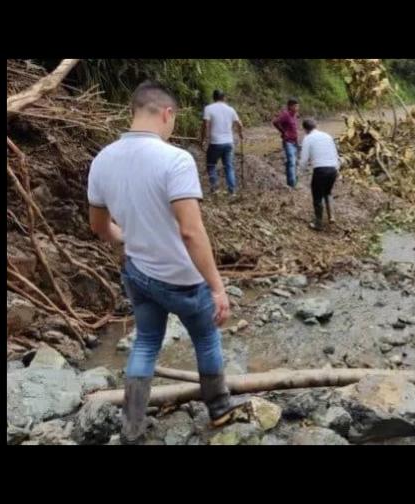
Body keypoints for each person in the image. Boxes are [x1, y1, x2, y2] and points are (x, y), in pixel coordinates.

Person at [88, 81, 245, 444]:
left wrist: (124, 237)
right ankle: (220, 408)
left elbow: (98, 226)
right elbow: (191, 232)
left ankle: (131, 428)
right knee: (206, 339)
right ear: (166, 113)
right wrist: (218, 287)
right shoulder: (175, 159)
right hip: (183, 280)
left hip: (138, 274)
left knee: (145, 343)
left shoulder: (103, 160)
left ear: (134, 111)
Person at [298, 118, 340, 230]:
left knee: (317, 196)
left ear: (305, 129)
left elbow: (304, 159)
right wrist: (337, 168)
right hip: (333, 168)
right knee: (328, 192)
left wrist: (301, 171)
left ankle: (318, 223)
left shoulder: (307, 138)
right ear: (316, 126)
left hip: (320, 170)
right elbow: (335, 153)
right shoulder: (327, 136)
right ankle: (331, 216)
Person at [200, 89, 243, 196]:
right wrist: (240, 134)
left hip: (215, 142)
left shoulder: (209, 108)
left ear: (213, 98)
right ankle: (232, 191)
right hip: (229, 142)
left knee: (211, 165)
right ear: (224, 98)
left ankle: (215, 189)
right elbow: (240, 124)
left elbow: (205, 125)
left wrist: (203, 138)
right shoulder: (231, 109)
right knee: (229, 167)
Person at [272, 98, 301, 188]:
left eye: (297, 105)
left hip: (294, 141)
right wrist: (283, 132)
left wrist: (297, 142)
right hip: (288, 141)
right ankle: (293, 184)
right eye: (295, 106)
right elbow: (275, 122)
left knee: (292, 162)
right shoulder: (286, 115)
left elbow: (294, 128)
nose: (297, 107)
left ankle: (290, 182)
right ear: (290, 106)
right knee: (291, 162)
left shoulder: (294, 115)